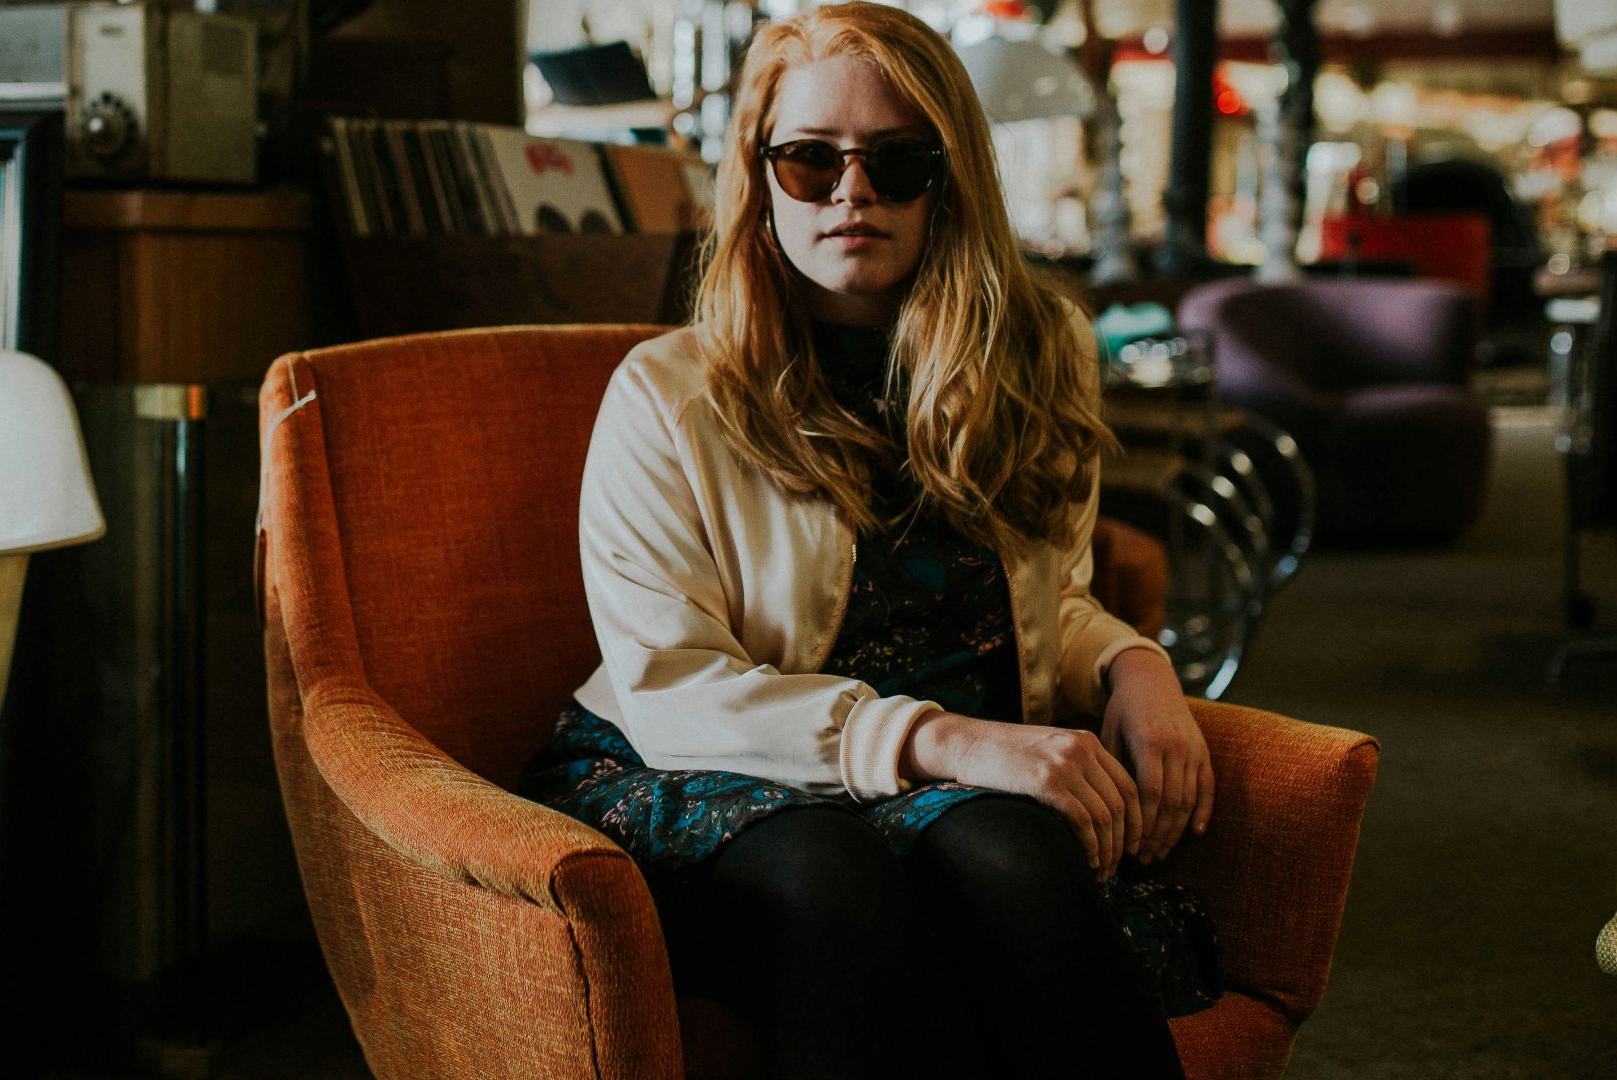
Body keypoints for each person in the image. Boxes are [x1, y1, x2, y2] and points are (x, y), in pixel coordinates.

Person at [520, 5, 1217, 1076]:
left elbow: (1045, 599)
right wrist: (947, 740)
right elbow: (672, 686)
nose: (854, 192)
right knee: (827, 875)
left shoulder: (1040, 354)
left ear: (952, 180)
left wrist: (1134, 660)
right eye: (811, 160)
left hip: (944, 776)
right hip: (710, 758)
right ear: (760, 179)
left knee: (1025, 852)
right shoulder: (668, 393)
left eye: (897, 162)